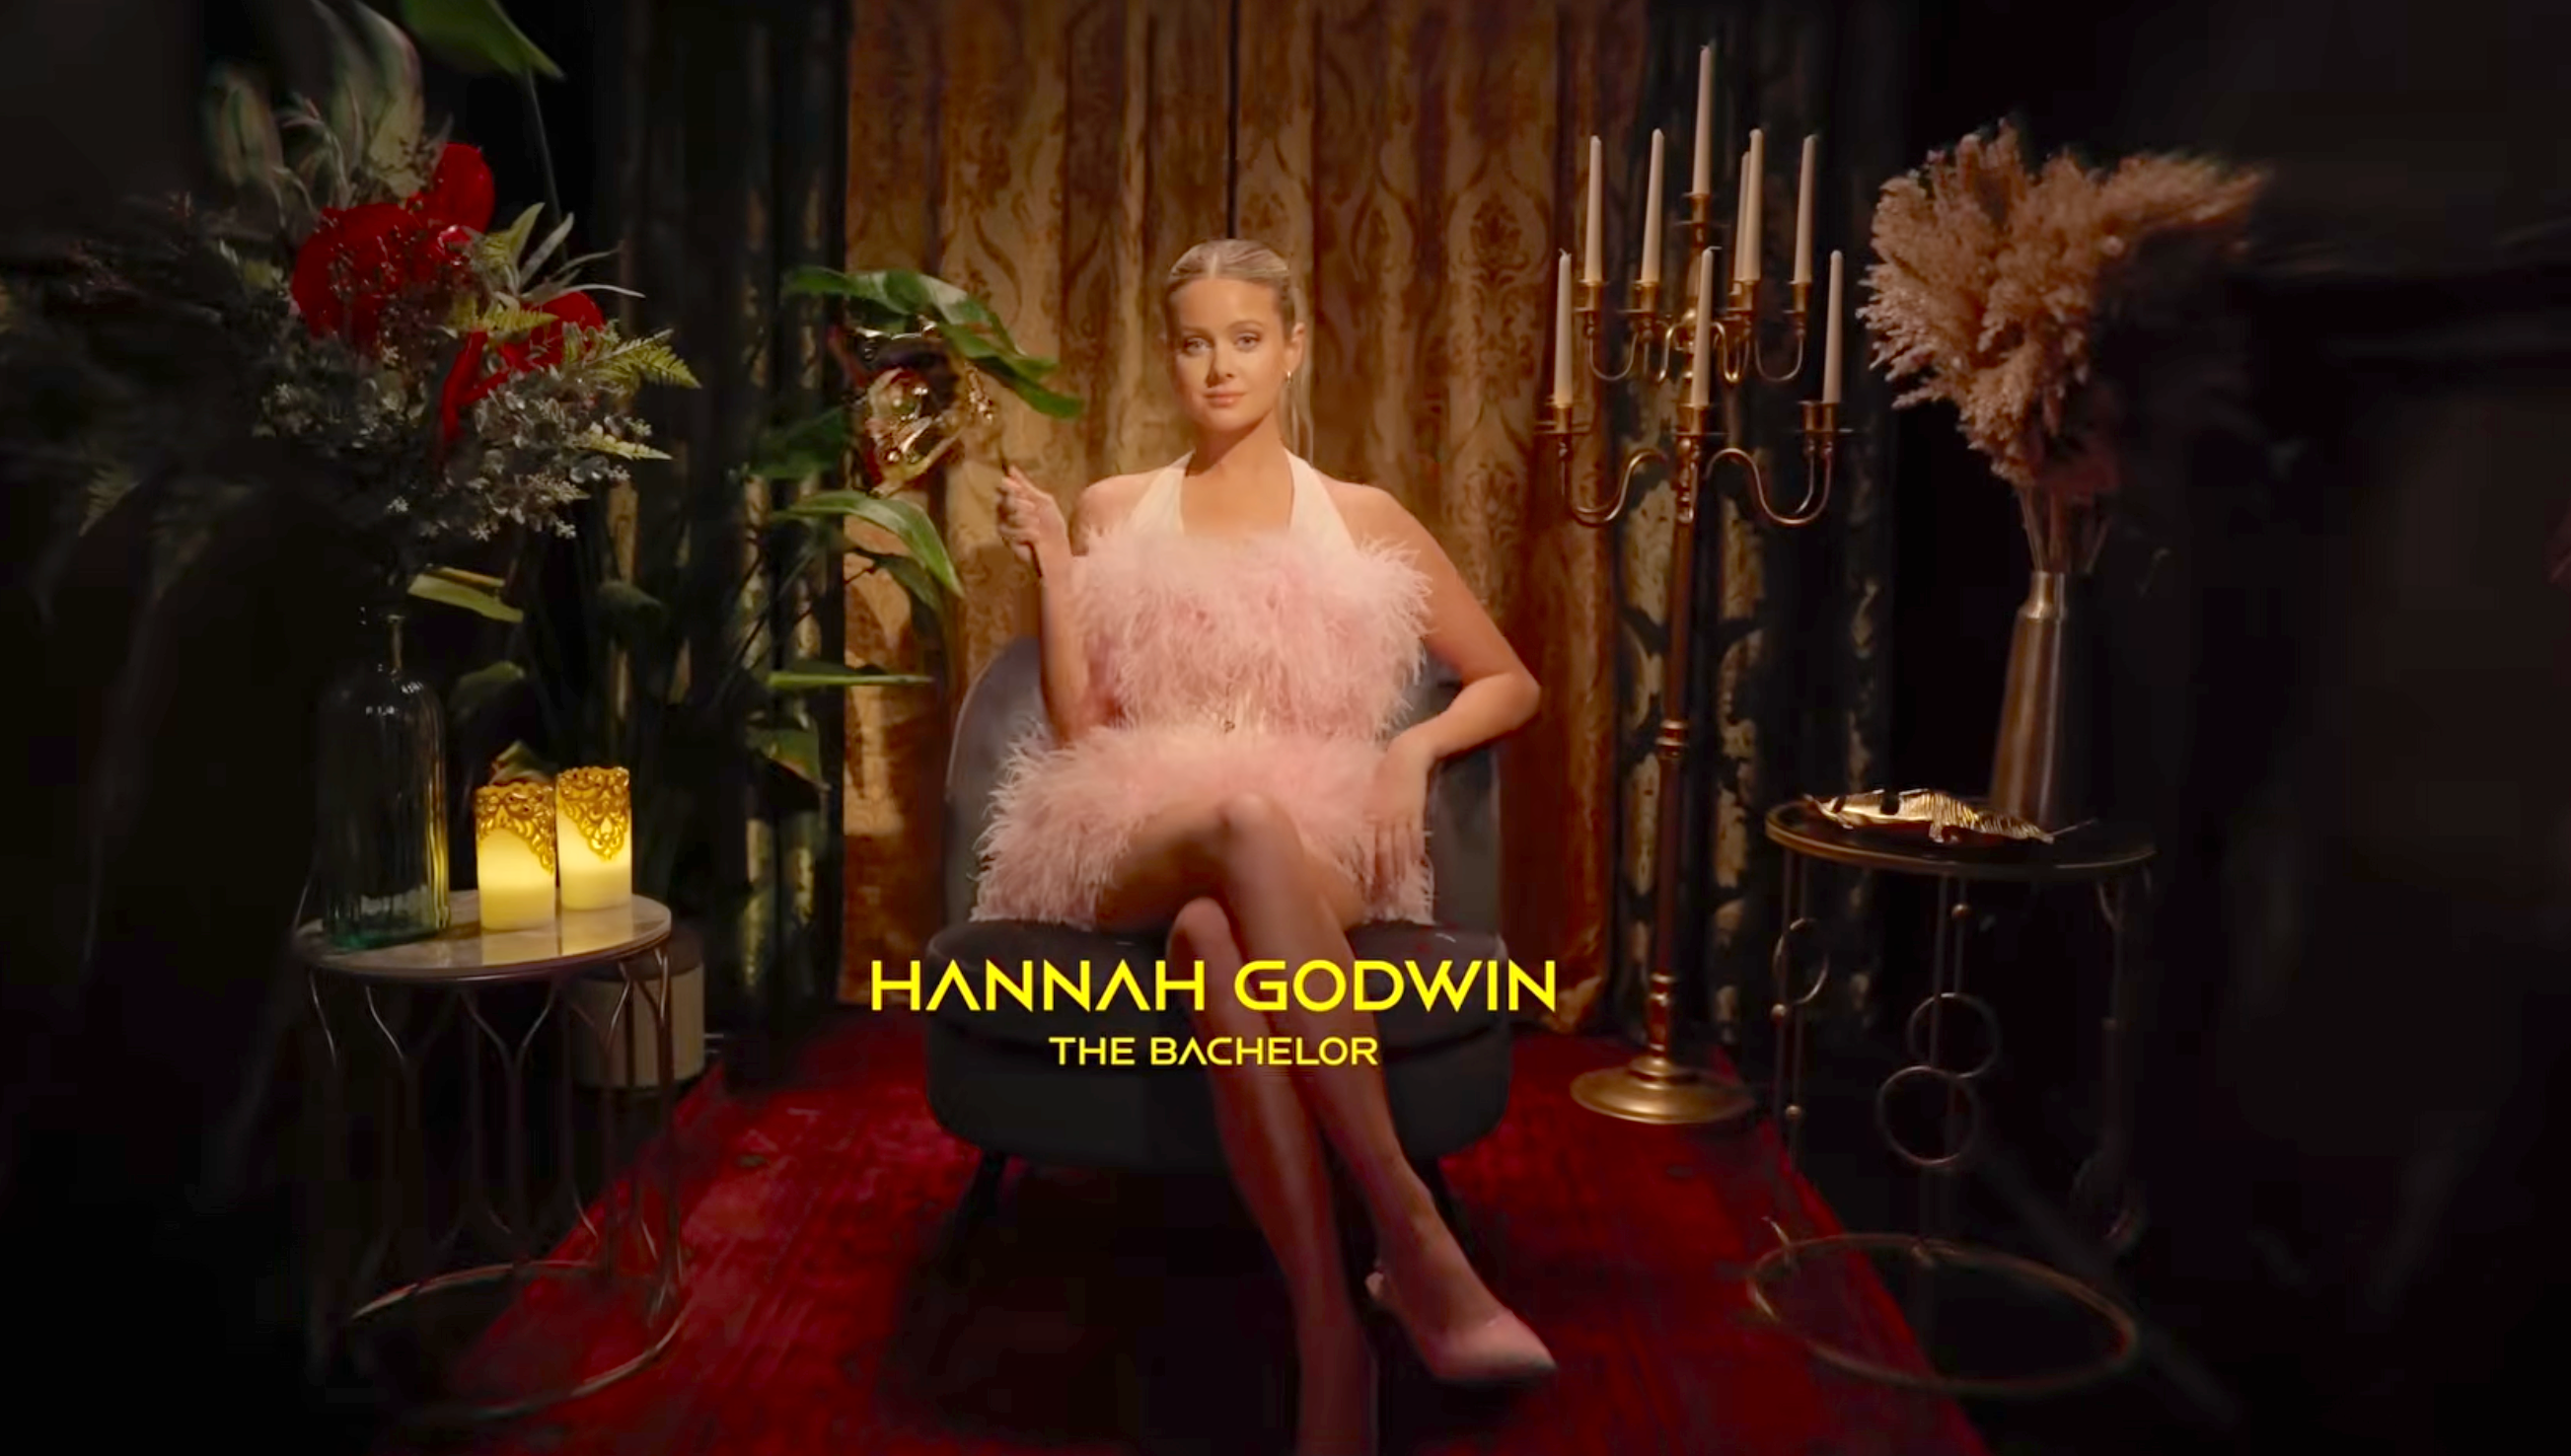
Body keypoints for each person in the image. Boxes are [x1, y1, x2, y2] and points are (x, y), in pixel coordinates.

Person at [981, 237, 1553, 1455]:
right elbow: (1080, 728)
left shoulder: (1360, 517)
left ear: (1293, 350)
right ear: (1168, 358)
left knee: (1211, 936)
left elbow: (1508, 679)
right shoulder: (1115, 507)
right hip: (1140, 819)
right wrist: (1054, 568)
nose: (1219, 366)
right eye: (1193, 343)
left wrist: (1409, 751)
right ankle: (1409, 1237)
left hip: (1319, 824)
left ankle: (1329, 1335)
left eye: (1245, 339)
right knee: (1235, 831)